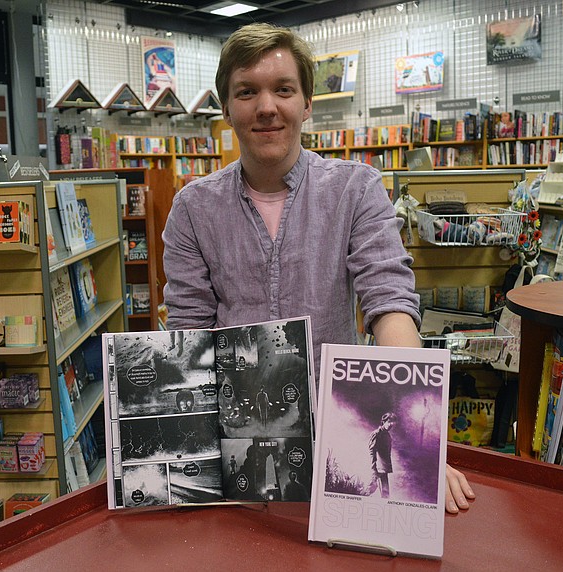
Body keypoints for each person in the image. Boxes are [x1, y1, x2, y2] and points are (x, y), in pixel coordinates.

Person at [162, 22, 474, 514]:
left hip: (344, 444)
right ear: (226, 108)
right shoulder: (192, 210)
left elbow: (388, 301)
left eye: (283, 89)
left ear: (307, 103)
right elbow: (188, 333)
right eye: (247, 92)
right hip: (237, 454)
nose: (267, 107)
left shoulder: (357, 190)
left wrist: (420, 444)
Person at [366, 412, 396, 498]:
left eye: (393, 422)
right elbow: (372, 452)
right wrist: (373, 468)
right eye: (389, 421)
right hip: (377, 468)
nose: (391, 424)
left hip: (383, 468)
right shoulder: (377, 434)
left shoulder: (387, 435)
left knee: (385, 492)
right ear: (383, 421)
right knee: (370, 489)